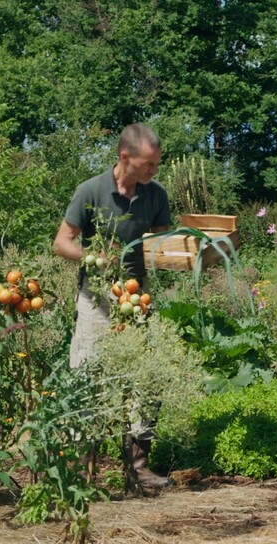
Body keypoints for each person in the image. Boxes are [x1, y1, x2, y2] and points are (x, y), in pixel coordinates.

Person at [53, 122, 173, 490]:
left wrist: (185, 253)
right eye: (149, 164)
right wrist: (93, 258)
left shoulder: (156, 195)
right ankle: (80, 470)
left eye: (156, 165)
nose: (154, 171)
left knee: (146, 380)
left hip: (137, 301)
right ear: (125, 158)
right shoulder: (90, 191)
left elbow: (161, 244)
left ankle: (138, 468)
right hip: (96, 301)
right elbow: (62, 242)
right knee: (87, 377)